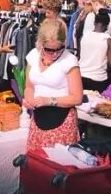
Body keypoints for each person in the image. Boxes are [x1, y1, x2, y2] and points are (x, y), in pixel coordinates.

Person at [24, 19, 83, 151]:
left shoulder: (69, 61)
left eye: (59, 49)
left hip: (62, 121)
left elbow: (77, 98)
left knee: (58, 160)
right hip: (38, 120)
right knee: (36, 160)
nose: (55, 54)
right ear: (41, 44)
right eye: (49, 50)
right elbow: (29, 87)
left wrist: (49, 101)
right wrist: (29, 100)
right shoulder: (33, 56)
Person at [78, 9, 111, 92]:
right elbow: (110, 64)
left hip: (81, 77)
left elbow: (79, 56)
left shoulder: (84, 36)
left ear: (94, 23)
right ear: (107, 26)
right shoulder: (107, 40)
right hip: (99, 80)